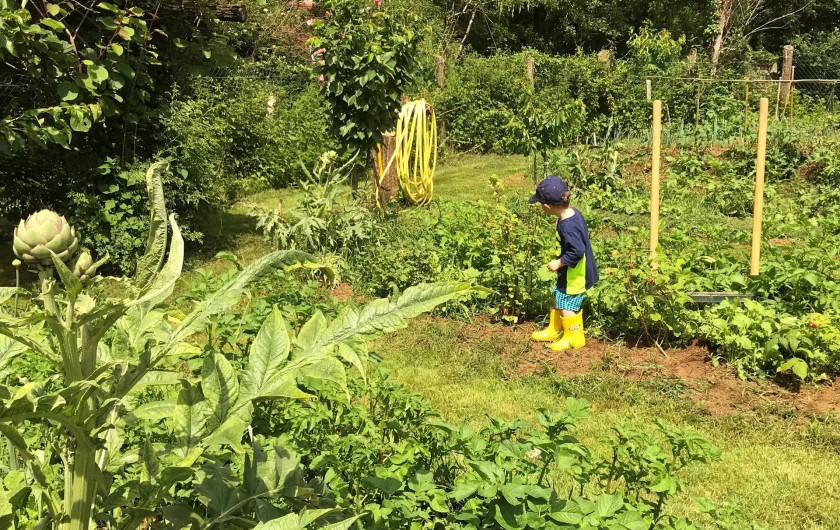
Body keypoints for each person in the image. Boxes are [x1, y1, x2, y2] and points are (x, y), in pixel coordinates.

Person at [529, 176, 599, 351]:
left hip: (575, 274)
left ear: (547, 206)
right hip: (570, 272)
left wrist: (559, 262)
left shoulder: (568, 226)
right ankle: (556, 329)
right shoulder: (573, 214)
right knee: (559, 296)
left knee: (566, 303)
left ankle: (574, 337)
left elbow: (577, 251)